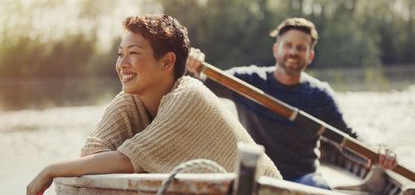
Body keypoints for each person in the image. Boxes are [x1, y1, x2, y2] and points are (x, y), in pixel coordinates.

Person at [26, 14, 282, 195]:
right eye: (120, 54)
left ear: (167, 62)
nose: (122, 63)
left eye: (134, 54)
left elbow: (127, 160)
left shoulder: (189, 96)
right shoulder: (131, 98)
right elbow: (94, 154)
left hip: (268, 192)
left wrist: (52, 169)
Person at [186, 17, 398, 189]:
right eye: (288, 45)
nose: (293, 52)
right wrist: (192, 68)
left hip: (302, 179)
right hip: (255, 175)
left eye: (301, 47)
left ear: (310, 55)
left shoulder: (320, 94)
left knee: (320, 188)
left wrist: (375, 152)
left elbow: (347, 139)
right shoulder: (247, 79)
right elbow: (198, 88)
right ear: (276, 49)